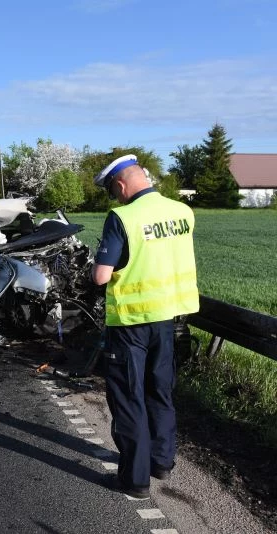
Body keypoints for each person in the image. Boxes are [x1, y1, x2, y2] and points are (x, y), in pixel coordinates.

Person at [91, 154, 199, 500]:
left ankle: (135, 480)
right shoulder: (182, 211)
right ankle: (162, 461)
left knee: (128, 398)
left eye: (113, 191)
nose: (116, 198)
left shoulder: (123, 217)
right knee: (159, 389)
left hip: (130, 323)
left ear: (120, 185)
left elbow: (101, 275)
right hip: (168, 318)